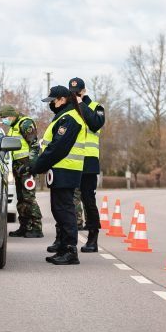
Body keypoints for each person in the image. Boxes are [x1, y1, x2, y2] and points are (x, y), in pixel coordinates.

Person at [31, 85, 87, 265]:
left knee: (65, 211)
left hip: (66, 169)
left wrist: (36, 167)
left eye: (52, 101)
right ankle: (63, 247)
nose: (51, 104)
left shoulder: (70, 119)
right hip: (60, 170)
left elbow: (57, 148)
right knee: (59, 210)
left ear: (62, 99)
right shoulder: (63, 117)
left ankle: (70, 250)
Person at [69, 77, 106, 252]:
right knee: (66, 200)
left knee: (88, 199)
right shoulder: (70, 109)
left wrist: (81, 103)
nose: (75, 95)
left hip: (88, 162)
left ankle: (92, 237)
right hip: (71, 161)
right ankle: (64, 238)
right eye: (72, 93)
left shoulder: (95, 107)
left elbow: (95, 123)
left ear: (83, 91)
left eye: (78, 92)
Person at [0, 104, 43, 238]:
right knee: (21, 198)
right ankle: (24, 227)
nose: (4, 120)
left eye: (5, 117)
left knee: (29, 198)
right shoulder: (13, 127)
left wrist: (31, 165)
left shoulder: (25, 124)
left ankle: (36, 228)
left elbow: (34, 146)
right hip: (18, 166)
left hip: (26, 166)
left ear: (11, 115)